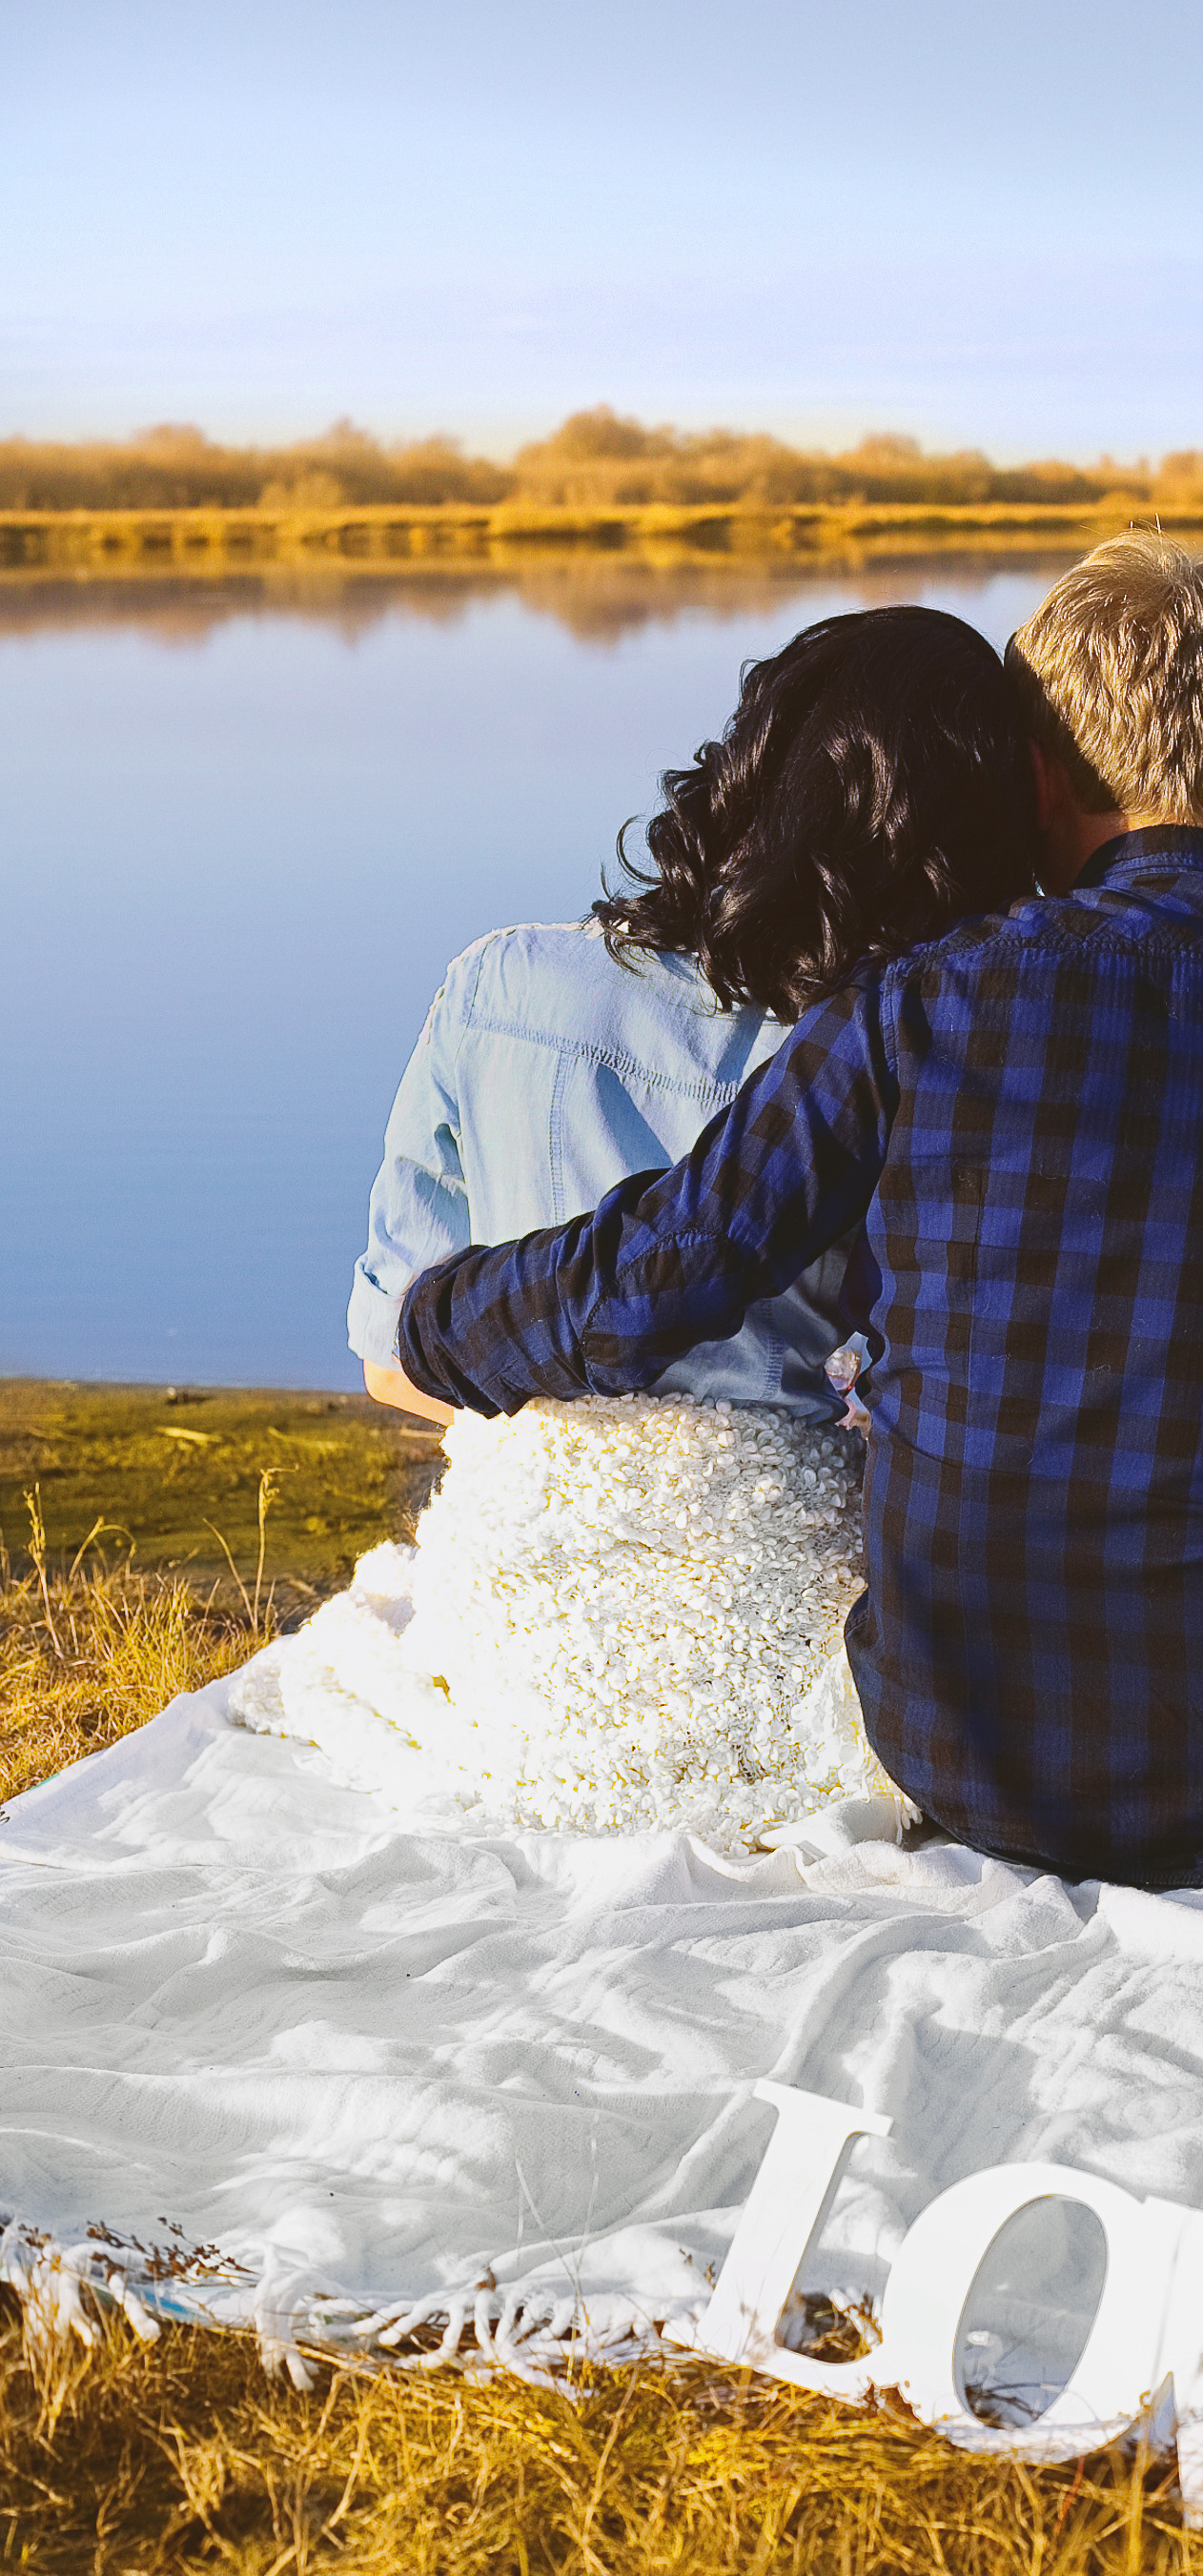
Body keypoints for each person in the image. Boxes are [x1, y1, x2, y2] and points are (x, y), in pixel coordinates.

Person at [392, 534, 1203, 1887]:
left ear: (1040, 779)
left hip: (963, 1748)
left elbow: (662, 1272)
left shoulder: (922, 1006)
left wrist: (436, 1321)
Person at [239, 607, 1039, 1847]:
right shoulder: (900, 1068)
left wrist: (592, 1453)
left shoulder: (499, 985)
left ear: (746, 767)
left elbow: (390, 1357)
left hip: (524, 1628)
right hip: (778, 1643)